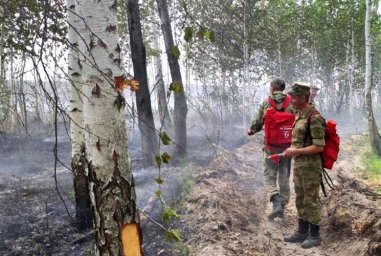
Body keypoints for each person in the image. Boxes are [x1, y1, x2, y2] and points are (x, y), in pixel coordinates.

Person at [283, 82, 326, 249]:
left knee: (311, 200)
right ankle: (301, 232)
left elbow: (319, 146)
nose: (291, 99)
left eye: (294, 97)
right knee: (300, 198)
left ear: (303, 97)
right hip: (299, 165)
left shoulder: (314, 117)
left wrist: (295, 151)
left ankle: (314, 235)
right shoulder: (299, 115)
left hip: (310, 166)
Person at [247, 77, 295, 220]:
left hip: (271, 147)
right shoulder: (291, 103)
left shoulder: (266, 103)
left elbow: (257, 123)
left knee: (269, 175)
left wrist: (251, 130)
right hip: (288, 147)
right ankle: (282, 204)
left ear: (273, 88)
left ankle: (276, 203)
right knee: (284, 175)